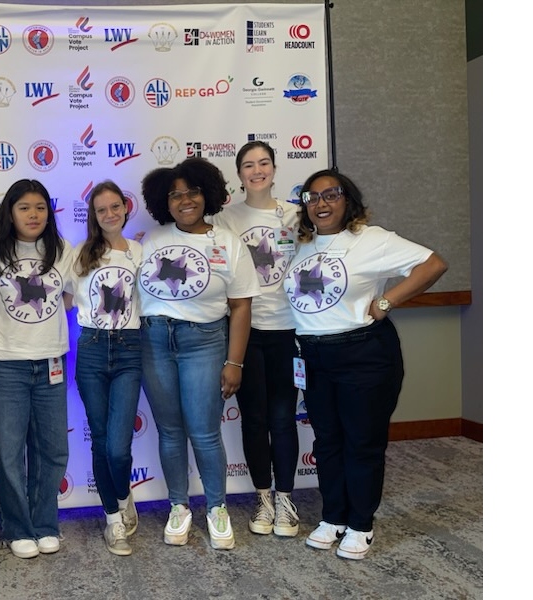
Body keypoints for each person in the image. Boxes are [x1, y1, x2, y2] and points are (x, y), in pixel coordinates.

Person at [283, 169, 447, 560]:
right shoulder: (302, 244)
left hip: (363, 355)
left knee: (362, 442)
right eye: (313, 197)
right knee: (328, 442)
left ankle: (361, 523)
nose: (321, 203)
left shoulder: (370, 239)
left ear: (347, 199)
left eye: (331, 194)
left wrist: (387, 302)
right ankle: (334, 516)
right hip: (314, 355)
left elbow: (433, 264)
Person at [138, 157, 260, 550]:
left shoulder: (227, 242)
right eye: (175, 195)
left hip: (204, 342)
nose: (184, 200)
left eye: (191, 192)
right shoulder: (152, 240)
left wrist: (234, 361)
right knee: (170, 431)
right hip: (155, 341)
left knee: (205, 433)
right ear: (164, 202)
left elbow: (241, 306)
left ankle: (217, 507)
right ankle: (179, 506)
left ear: (206, 194)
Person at [0, 179, 74, 559]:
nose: (33, 215)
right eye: (24, 207)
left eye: (41, 207)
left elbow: (67, 299)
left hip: (51, 360)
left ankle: (46, 523)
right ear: (10, 212)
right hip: (4, 365)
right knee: (10, 453)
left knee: (53, 450)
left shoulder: (60, 250)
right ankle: (17, 528)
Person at [209, 141, 302, 538]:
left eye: (264, 163)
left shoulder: (297, 215)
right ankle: (262, 497)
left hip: (288, 331)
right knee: (255, 419)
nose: (257, 170)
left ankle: (285, 499)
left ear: (275, 169)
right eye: (249, 165)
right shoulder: (226, 219)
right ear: (239, 173)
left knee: (283, 418)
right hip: (245, 333)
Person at [70, 180, 143, 556]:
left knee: (118, 447)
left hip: (131, 350)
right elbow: (60, 298)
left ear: (125, 208)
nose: (110, 214)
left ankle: (123, 490)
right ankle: (113, 519)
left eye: (116, 207)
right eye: (102, 210)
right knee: (100, 439)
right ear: (94, 216)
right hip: (92, 349)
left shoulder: (140, 252)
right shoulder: (80, 254)